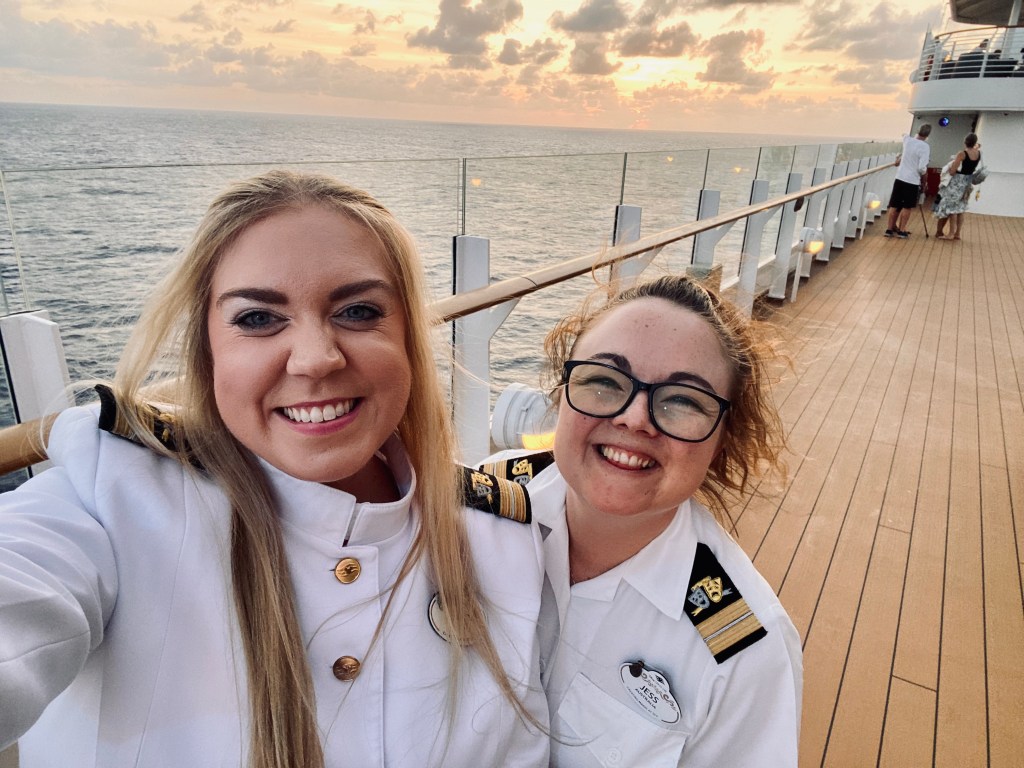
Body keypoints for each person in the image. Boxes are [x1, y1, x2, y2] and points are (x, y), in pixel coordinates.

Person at [0, 171, 549, 767]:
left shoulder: (505, 542)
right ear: (207, 351)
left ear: (410, 340)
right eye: (258, 319)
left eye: (359, 310)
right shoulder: (107, 502)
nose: (315, 359)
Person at [481, 275, 802, 767]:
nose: (635, 418)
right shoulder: (479, 500)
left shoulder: (744, 655)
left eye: (683, 400)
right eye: (604, 381)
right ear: (563, 394)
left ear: (721, 441)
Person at [885, 123, 931, 239]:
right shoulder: (925, 147)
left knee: (894, 204)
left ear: (917, 131)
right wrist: (924, 180)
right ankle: (901, 230)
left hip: (900, 177)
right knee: (907, 206)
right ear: (928, 135)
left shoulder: (907, 140)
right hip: (912, 180)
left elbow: (903, 134)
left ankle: (889, 230)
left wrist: (900, 158)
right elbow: (922, 167)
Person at [935, 133, 982, 241]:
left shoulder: (962, 153)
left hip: (957, 182)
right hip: (967, 182)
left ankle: (950, 233)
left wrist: (951, 166)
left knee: (952, 209)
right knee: (961, 209)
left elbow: (952, 171)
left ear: (965, 142)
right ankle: (957, 233)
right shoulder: (978, 153)